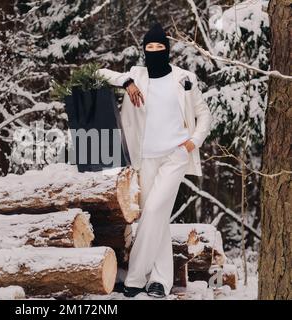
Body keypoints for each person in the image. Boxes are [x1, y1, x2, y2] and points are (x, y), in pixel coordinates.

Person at [96, 23, 212, 298]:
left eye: (160, 47)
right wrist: (126, 81)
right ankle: (160, 280)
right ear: (144, 50)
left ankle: (135, 278)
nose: (156, 51)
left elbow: (204, 114)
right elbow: (99, 73)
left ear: (168, 50)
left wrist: (192, 142)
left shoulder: (184, 78)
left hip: (176, 155)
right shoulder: (136, 74)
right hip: (144, 158)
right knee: (156, 217)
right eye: (150, 48)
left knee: (154, 210)